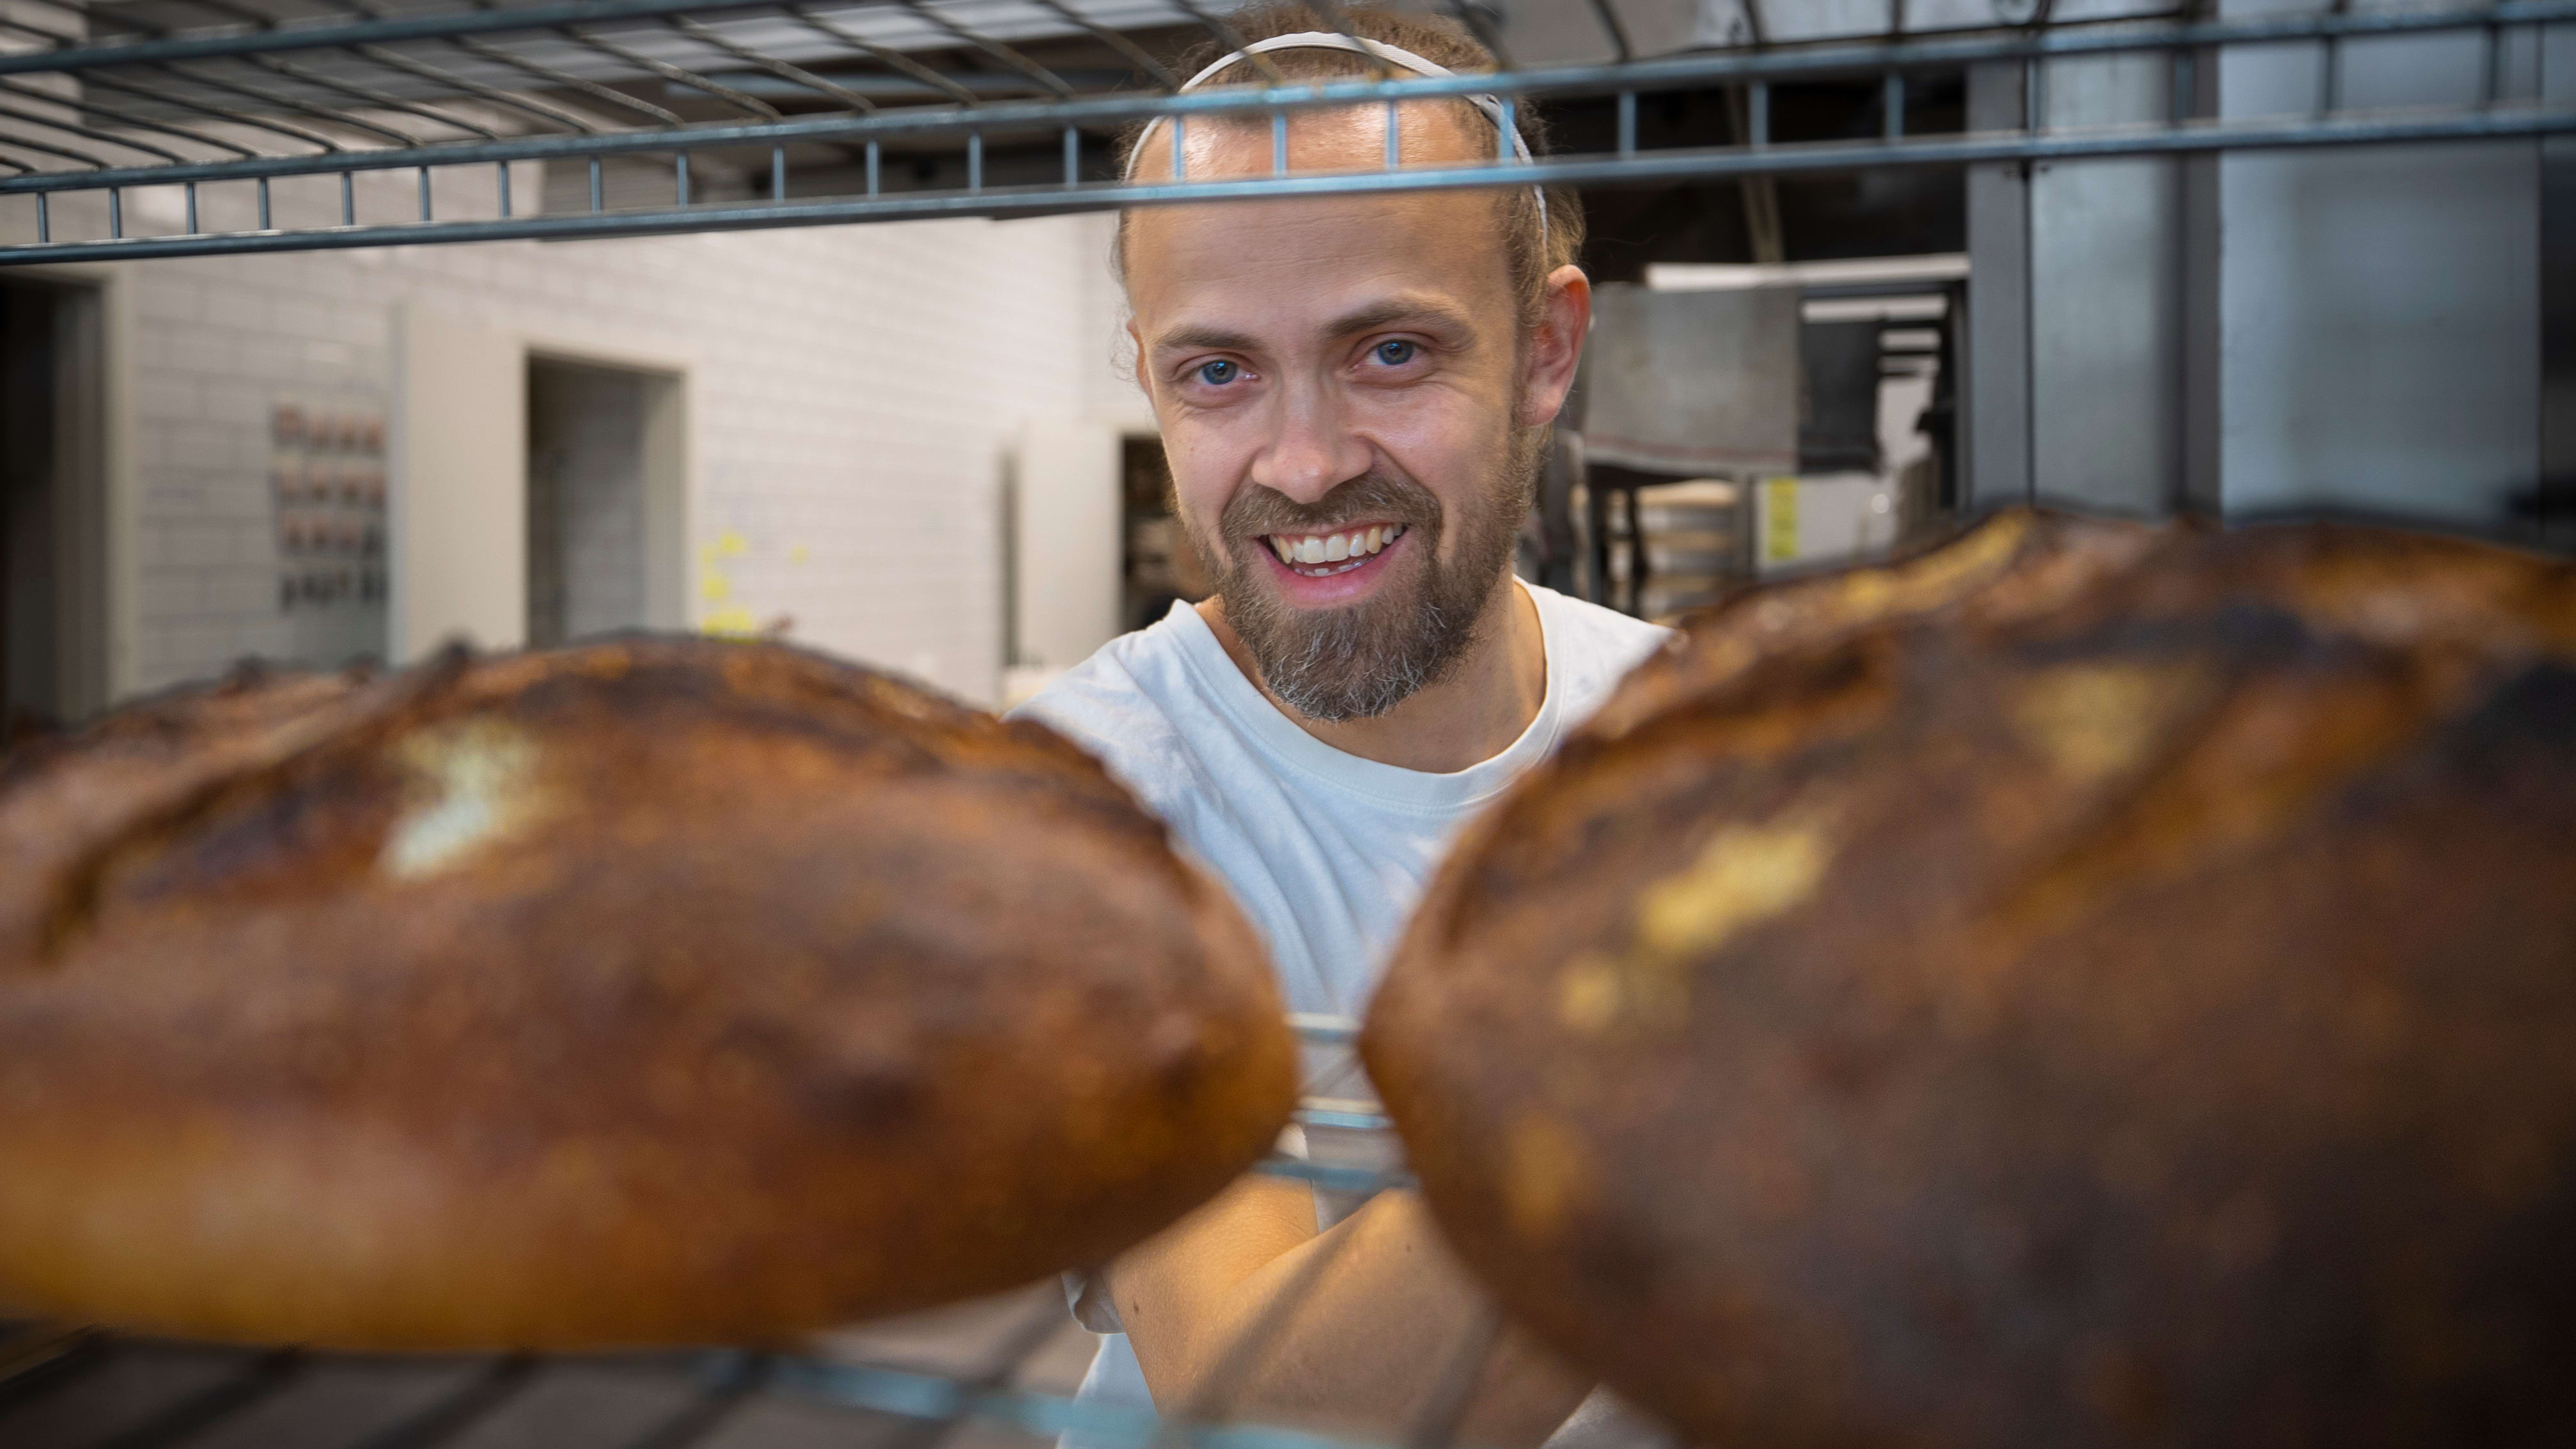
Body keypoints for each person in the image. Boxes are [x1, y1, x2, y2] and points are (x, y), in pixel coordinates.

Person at [1011, 6, 1674, 1445]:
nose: (1304, 465)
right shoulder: (1084, 796)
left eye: (1388, 351)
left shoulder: (1683, 731)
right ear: (1149, 378)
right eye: (1218, 372)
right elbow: (1265, 1396)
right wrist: (1717, 1045)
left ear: (1545, 347)